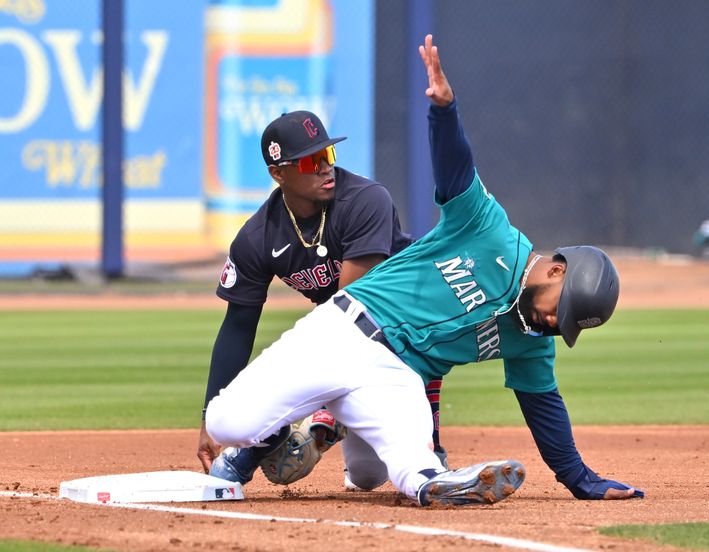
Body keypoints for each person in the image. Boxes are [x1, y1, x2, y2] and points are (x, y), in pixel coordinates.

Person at [205, 34, 644, 507]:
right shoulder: (487, 229)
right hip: (345, 333)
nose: (559, 325)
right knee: (227, 422)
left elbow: (543, 404)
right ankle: (267, 441)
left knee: (390, 470)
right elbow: (456, 169)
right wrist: (444, 112)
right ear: (556, 271)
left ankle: (436, 481)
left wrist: (581, 480)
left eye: (570, 326)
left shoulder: (534, 338)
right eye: (567, 310)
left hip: (396, 373)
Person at [198, 109, 446, 490]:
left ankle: (327, 424)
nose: (325, 167)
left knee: (374, 473)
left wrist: (290, 406)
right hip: (337, 344)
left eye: (328, 155)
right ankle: (321, 420)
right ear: (278, 173)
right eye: (312, 161)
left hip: (400, 336)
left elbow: (349, 305)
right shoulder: (257, 237)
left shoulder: (366, 200)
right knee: (365, 477)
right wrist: (207, 415)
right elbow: (237, 327)